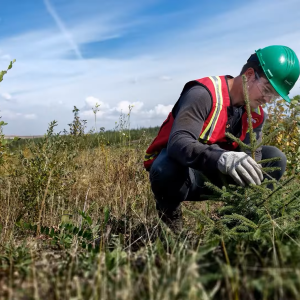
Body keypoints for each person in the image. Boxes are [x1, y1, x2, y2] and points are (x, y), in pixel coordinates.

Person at [143, 45, 300, 233]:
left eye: (274, 96)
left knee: (275, 157)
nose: (267, 100)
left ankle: (235, 225)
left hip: (221, 175)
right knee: (165, 168)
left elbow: (254, 155)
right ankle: (171, 225)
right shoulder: (203, 94)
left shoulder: (256, 114)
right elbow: (178, 142)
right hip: (187, 174)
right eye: (267, 90)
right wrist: (222, 157)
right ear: (249, 74)